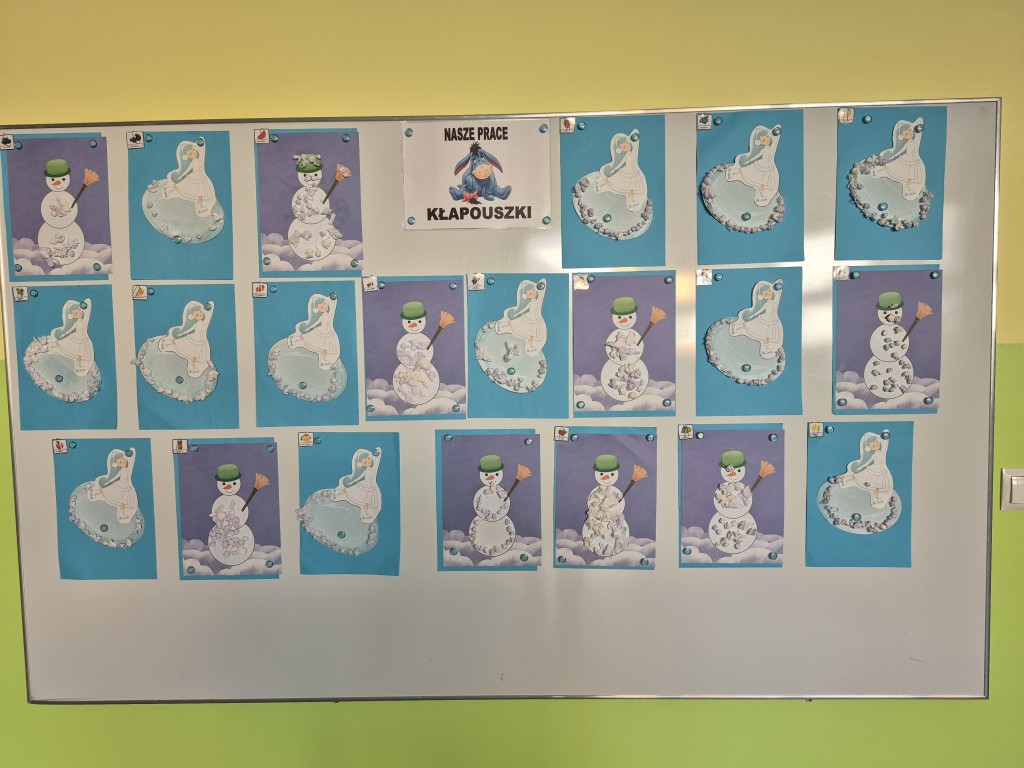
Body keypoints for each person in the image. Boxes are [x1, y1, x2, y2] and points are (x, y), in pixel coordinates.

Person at [726, 125, 781, 206]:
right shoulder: (763, 150)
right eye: (764, 139)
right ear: (760, 142)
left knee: (763, 182)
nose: (766, 139)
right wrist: (750, 160)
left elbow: (775, 143)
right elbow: (757, 156)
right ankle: (735, 172)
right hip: (761, 164)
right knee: (747, 170)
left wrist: (776, 134)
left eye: (767, 138)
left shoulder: (771, 149)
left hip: (768, 167)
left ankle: (761, 194)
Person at [872, 118, 926, 200]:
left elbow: (919, 127)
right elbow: (900, 152)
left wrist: (917, 125)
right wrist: (892, 157)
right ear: (901, 136)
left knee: (912, 178)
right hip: (905, 160)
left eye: (910, 131)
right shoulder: (907, 144)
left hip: (914, 161)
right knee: (900, 173)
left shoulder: (915, 142)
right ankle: (883, 171)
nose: (909, 133)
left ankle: (909, 190)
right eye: (906, 133)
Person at [838, 432, 894, 509]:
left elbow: (885, 446)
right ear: (869, 448)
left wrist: (883, 438)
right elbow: (868, 462)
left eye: (877, 443)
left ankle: (876, 498)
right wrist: (861, 467)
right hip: (874, 469)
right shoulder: (874, 455)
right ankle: (846, 479)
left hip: (882, 471)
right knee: (860, 476)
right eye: (873, 445)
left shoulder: (882, 453)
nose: (876, 445)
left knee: (878, 486)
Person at [594, 130, 647, 212]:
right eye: (624, 147)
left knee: (631, 188)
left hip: (634, 172)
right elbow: (621, 163)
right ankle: (601, 183)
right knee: (615, 181)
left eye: (627, 144)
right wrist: (614, 169)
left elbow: (636, 147)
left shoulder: (632, 154)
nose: (627, 146)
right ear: (620, 149)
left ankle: (631, 200)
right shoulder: (625, 156)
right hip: (627, 172)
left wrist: (635, 139)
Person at [159, 300, 214, 378]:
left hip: (200, 342)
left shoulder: (204, 323)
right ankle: (167, 342)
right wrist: (182, 333)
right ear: (194, 317)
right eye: (197, 314)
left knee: (195, 355)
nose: (200, 315)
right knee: (180, 342)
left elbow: (209, 314)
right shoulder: (196, 324)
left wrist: (210, 307)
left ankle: (193, 367)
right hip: (194, 339)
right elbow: (190, 330)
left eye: (200, 312)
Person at [730, 280, 784, 359]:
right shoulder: (766, 303)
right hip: (765, 319)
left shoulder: (773, 302)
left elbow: (777, 297)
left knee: (767, 336)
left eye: (770, 292)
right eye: (766, 294)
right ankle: (738, 327)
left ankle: (766, 348)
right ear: (762, 296)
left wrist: (778, 288)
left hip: (772, 320)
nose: (769, 294)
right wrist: (753, 315)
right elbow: (760, 310)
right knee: (751, 326)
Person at [163, 138, 217, 216]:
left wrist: (202, 146)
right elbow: (188, 170)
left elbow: (202, 153)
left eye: (193, 150)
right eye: (190, 153)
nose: (193, 153)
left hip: (201, 178)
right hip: (194, 178)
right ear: (187, 156)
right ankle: (169, 189)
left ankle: (200, 207)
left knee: (200, 194)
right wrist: (181, 175)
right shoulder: (192, 162)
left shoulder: (199, 160)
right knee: (182, 186)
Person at [288, 293, 340, 370]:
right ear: (318, 309)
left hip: (328, 333)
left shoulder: (329, 315)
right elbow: (316, 323)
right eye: (321, 307)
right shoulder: (322, 316)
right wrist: (309, 327)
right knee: (307, 337)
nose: (324, 307)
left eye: (325, 304)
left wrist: (333, 301)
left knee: (325, 347)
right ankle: (295, 338)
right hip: (321, 331)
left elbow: (333, 309)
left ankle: (323, 360)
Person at [495, 279, 546, 356]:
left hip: (535, 320)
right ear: (526, 295)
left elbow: (541, 298)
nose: (533, 293)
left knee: (532, 334)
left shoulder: (537, 302)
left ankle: (530, 345)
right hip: (529, 317)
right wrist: (517, 313)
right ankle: (503, 325)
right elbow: (524, 310)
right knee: (515, 323)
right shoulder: (530, 303)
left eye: (533, 291)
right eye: (530, 293)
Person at [88, 448, 138, 523]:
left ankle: (123, 514)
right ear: (116, 464)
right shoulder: (120, 471)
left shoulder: (127, 469)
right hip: (120, 486)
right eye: (120, 462)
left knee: (124, 502)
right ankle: (95, 492)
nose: (123, 462)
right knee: (111, 495)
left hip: (127, 487)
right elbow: (115, 478)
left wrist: (132, 456)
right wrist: (108, 482)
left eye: (123, 459)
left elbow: (131, 464)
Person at [333, 448, 382, 524]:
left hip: (370, 488)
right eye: (365, 462)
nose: (368, 461)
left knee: (367, 503)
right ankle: (338, 492)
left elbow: (377, 463)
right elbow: (359, 478)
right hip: (363, 486)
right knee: (350, 491)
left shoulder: (373, 470)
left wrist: (378, 455)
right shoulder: (365, 472)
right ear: (361, 464)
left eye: (369, 459)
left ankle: (365, 514)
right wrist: (353, 481)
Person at [50, 299, 94, 375]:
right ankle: (57, 347)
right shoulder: (76, 323)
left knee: (80, 354)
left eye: (79, 310)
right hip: (77, 337)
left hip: (84, 338)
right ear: (72, 316)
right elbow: (71, 329)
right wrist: (64, 334)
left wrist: (86, 305)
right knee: (77, 353)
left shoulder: (84, 321)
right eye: (76, 313)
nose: (79, 313)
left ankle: (78, 366)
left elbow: (88, 305)